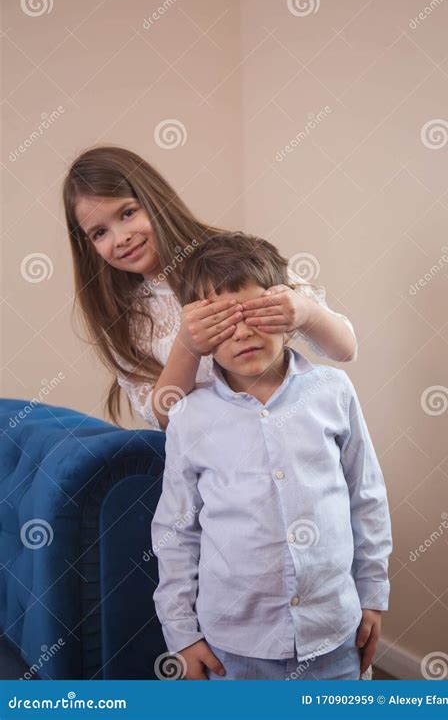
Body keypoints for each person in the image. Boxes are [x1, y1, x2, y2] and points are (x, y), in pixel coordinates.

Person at [152, 231, 392, 681]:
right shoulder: (190, 415)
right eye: (222, 321)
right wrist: (181, 633)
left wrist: (373, 593)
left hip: (334, 632)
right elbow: (175, 530)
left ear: (286, 312)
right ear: (198, 334)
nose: (243, 331)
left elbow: (367, 496)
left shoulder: (333, 392)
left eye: (257, 313)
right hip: (235, 645)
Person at [63, 146, 358, 432]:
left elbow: (345, 349)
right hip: (214, 464)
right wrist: (187, 347)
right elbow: (164, 417)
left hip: (281, 436)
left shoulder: (235, 262)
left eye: (127, 213)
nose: (121, 237)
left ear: (154, 200)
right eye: (99, 232)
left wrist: (304, 312)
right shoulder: (127, 318)